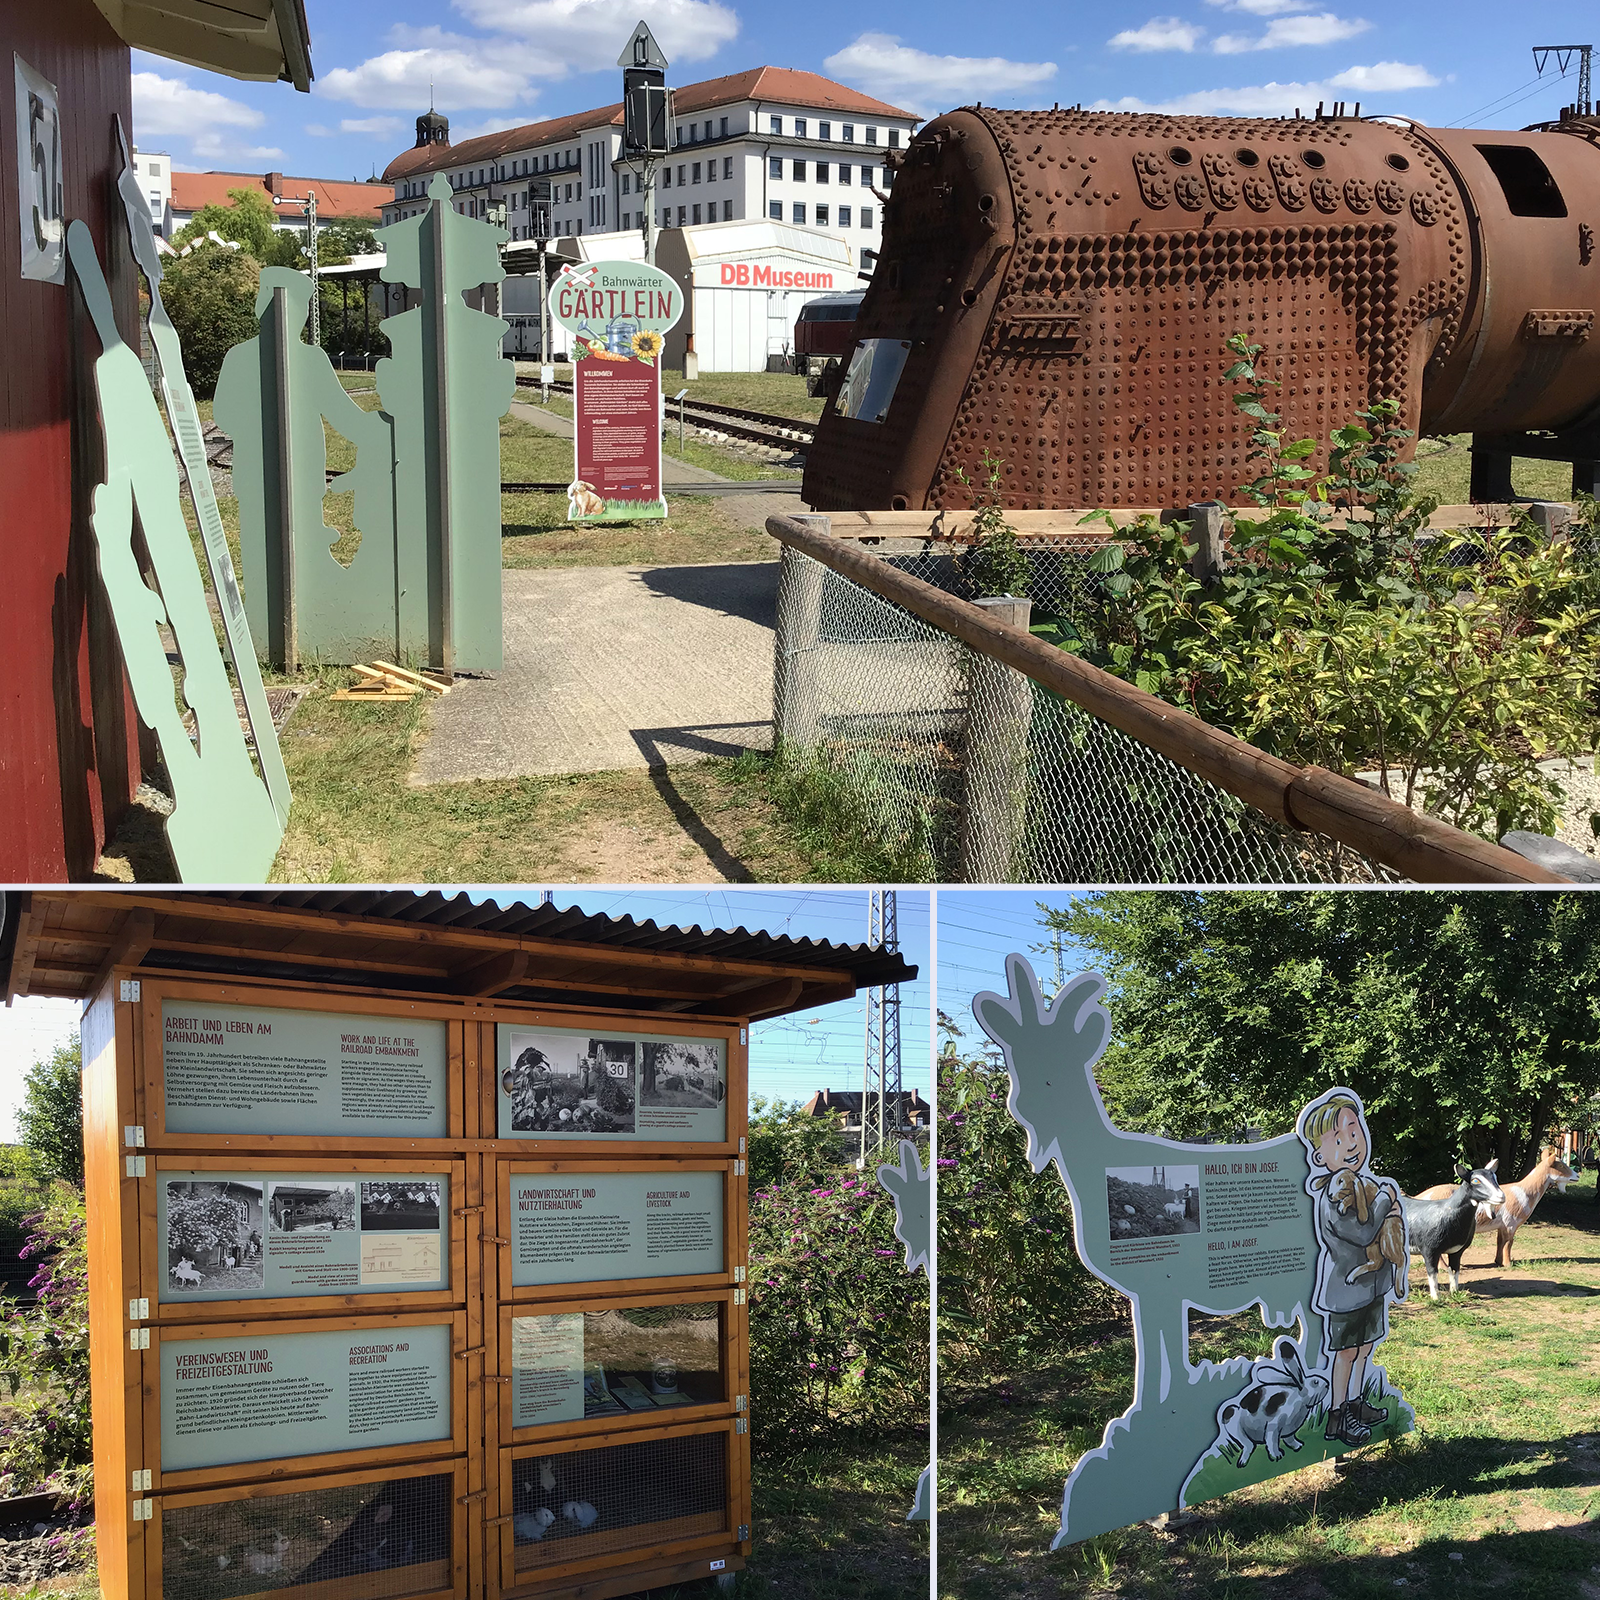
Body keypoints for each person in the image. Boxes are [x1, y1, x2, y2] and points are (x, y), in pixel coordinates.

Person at [1297, 1090, 1403, 1447]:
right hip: (1346, 1292)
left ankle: (1356, 1404)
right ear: (1320, 1155)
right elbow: (1363, 1231)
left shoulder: (1364, 1185)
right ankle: (1336, 1417)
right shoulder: (1335, 1194)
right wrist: (1388, 1197)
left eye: (1354, 1132)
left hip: (1372, 1286)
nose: (1351, 1145)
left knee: (1364, 1347)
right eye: (1338, 1140)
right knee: (1344, 1352)